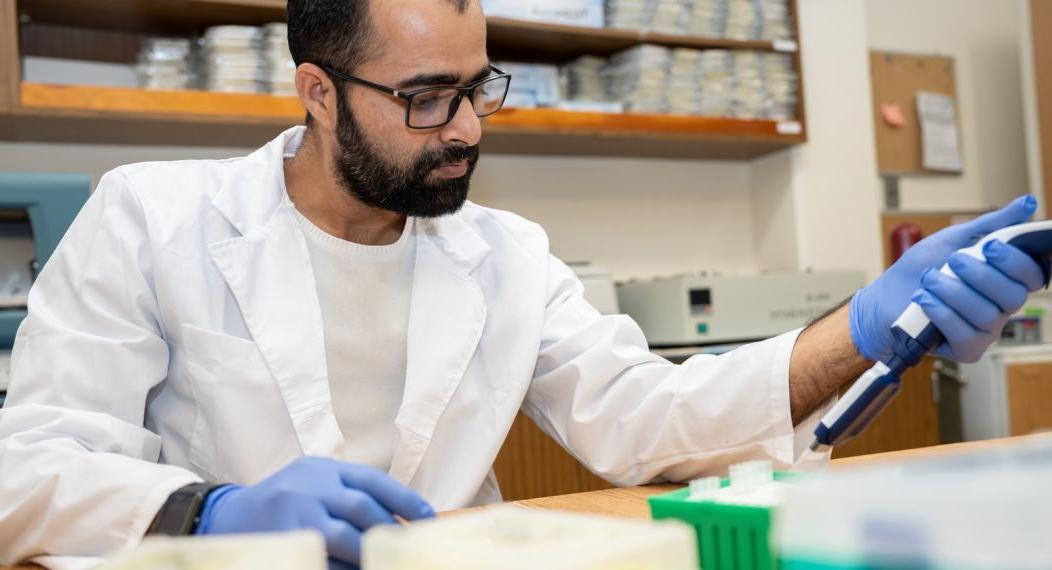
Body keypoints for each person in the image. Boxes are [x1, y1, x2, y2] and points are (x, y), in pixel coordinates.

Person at [0, 0, 1044, 568]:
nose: (463, 129)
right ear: (317, 93)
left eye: (475, 87)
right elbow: (27, 469)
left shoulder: (502, 251)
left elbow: (645, 421)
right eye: (423, 97)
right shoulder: (151, 216)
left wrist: (865, 326)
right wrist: (206, 507)